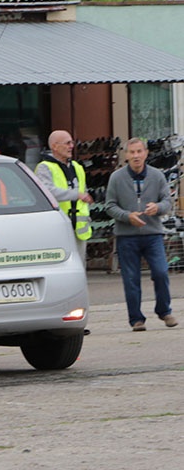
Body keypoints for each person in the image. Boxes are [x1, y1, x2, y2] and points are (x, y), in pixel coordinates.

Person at [105, 137, 177, 332]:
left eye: (139, 152)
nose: (136, 156)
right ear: (126, 155)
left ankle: (164, 311)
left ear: (146, 153)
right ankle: (136, 319)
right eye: (132, 152)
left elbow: (167, 201)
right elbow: (109, 206)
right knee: (131, 278)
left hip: (153, 234)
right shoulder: (116, 178)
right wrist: (127, 216)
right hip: (127, 236)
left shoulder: (157, 176)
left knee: (161, 272)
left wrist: (158, 207)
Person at [34, 130, 93, 262]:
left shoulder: (77, 167)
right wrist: (76, 195)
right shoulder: (44, 167)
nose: (71, 146)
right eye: (67, 143)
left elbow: (84, 191)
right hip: (57, 228)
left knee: (79, 267)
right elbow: (48, 192)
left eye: (72, 142)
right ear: (54, 146)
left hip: (78, 229)